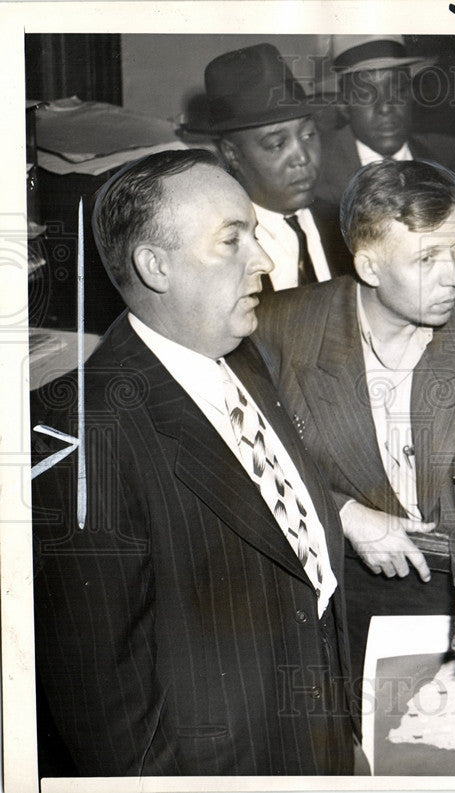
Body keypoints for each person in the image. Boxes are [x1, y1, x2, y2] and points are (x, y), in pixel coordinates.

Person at [31, 150, 356, 775]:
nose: (261, 261)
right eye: (231, 241)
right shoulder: (80, 433)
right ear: (155, 267)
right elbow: (107, 708)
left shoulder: (241, 352)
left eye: (254, 236)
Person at [252, 159, 455, 662]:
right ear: (369, 266)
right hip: (316, 594)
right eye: (427, 260)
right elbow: (245, 460)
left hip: (443, 587)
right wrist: (343, 512)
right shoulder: (276, 330)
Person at [192, 43, 352, 289]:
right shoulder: (215, 252)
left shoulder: (345, 225)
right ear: (232, 154)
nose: (302, 157)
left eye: (309, 135)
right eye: (277, 144)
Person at [313, 35, 455, 234]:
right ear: (343, 104)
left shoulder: (453, 160)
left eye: (397, 89)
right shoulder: (315, 173)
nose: (385, 107)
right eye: (365, 94)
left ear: (412, 93)